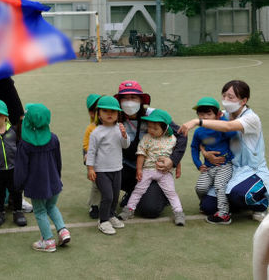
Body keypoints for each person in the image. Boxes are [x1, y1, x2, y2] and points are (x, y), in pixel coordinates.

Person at [179, 80, 269, 222]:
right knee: (208, 206)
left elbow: (228, 127)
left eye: (231, 97)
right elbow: (208, 136)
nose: (226, 100)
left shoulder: (252, 118)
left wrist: (197, 121)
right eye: (224, 96)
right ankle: (235, 203)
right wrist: (204, 152)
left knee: (238, 194)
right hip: (229, 168)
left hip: (252, 170)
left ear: (244, 100)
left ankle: (261, 204)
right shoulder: (224, 114)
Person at [114, 80, 187, 218]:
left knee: (150, 210)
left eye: (134, 98)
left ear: (141, 100)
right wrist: (88, 155)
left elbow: (181, 135)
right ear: (119, 100)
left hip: (152, 169)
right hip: (126, 166)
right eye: (125, 98)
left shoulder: (154, 115)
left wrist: (173, 160)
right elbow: (95, 136)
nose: (129, 102)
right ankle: (131, 192)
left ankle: (161, 194)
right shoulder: (115, 116)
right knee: (105, 173)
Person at [14, 104, 70, 252]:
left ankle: (48, 241)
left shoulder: (25, 144)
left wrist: (18, 185)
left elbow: (21, 169)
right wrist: (58, 178)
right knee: (51, 206)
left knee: (40, 211)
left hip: (36, 186)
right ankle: (63, 231)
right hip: (54, 183)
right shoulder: (53, 139)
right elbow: (58, 162)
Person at [119, 109, 185, 226]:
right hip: (148, 170)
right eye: (149, 127)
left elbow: (175, 156)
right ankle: (128, 210)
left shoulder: (172, 139)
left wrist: (178, 168)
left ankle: (179, 213)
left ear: (164, 128)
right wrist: (139, 170)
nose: (151, 130)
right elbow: (141, 154)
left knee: (171, 192)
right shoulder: (146, 138)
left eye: (155, 128)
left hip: (165, 173)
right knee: (138, 190)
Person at [86, 96, 130, 235]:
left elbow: (125, 145)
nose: (110, 114)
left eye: (113, 111)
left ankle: (111, 215)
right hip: (101, 171)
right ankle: (103, 220)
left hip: (117, 169)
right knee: (108, 196)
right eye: (105, 111)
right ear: (99, 113)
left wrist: (124, 135)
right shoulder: (96, 132)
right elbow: (91, 152)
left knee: (115, 196)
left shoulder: (119, 128)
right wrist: (90, 168)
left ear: (118, 114)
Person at [190, 97, 236, 224]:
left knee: (220, 186)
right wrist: (198, 164)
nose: (204, 116)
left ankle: (223, 214)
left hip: (225, 165)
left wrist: (222, 120)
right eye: (201, 113)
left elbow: (233, 133)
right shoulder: (199, 131)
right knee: (200, 188)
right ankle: (204, 203)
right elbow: (194, 147)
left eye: (209, 113)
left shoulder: (222, 127)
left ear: (217, 114)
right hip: (208, 167)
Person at [0, 100, 27, 227]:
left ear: (5, 116)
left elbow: (20, 147)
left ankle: (18, 211)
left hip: (14, 169)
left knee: (16, 191)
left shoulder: (13, 131)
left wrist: (20, 163)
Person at [82, 93, 101, 219]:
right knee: (96, 184)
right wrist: (89, 159)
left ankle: (107, 205)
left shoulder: (113, 126)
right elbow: (86, 145)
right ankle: (94, 205)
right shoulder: (91, 128)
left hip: (109, 161)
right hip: (96, 161)